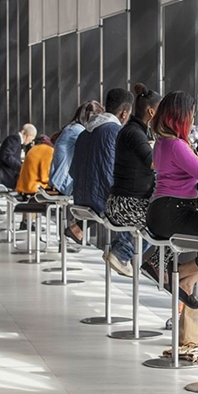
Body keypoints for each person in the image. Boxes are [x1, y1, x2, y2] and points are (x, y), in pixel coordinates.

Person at [145, 91, 198, 307]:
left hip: (162, 210)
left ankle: (186, 281)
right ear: (181, 116)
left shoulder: (163, 142)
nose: (193, 120)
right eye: (191, 115)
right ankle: (183, 274)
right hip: (173, 211)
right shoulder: (176, 145)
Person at [104, 83, 161, 276]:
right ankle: (122, 254)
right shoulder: (135, 134)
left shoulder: (132, 130)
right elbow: (153, 163)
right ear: (151, 112)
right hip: (124, 204)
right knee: (160, 218)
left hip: (119, 200)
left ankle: (121, 249)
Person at [70, 88, 134, 220]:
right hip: (102, 204)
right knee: (146, 213)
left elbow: (72, 171)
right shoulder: (117, 132)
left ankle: (80, 229)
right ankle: (123, 242)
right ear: (124, 113)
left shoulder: (83, 133)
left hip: (80, 200)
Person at [49, 100, 104, 241]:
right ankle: (77, 228)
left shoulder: (71, 128)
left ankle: (78, 227)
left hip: (58, 180)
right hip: (64, 183)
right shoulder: (78, 131)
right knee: (104, 197)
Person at [0, 124, 37, 189]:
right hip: (4, 178)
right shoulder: (14, 139)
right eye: (31, 138)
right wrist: (22, 167)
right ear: (25, 133)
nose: (30, 141)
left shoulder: (17, 141)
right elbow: (7, 156)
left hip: (5, 178)